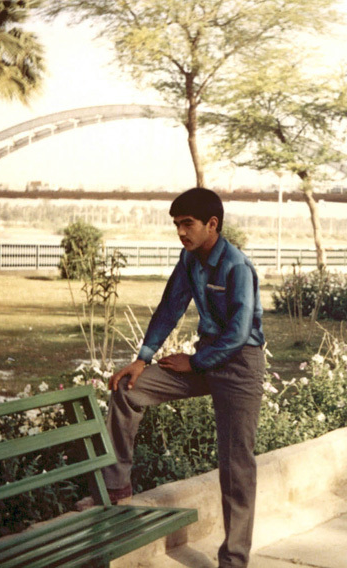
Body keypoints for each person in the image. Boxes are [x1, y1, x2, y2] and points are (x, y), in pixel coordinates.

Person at [97, 187, 265, 568]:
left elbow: (239, 333)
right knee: (128, 389)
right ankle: (117, 487)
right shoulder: (189, 259)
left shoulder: (237, 266)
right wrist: (142, 359)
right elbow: (170, 307)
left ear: (212, 224)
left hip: (239, 365)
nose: (181, 232)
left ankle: (234, 560)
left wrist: (196, 362)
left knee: (236, 467)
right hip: (203, 359)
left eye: (187, 224)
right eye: (176, 225)